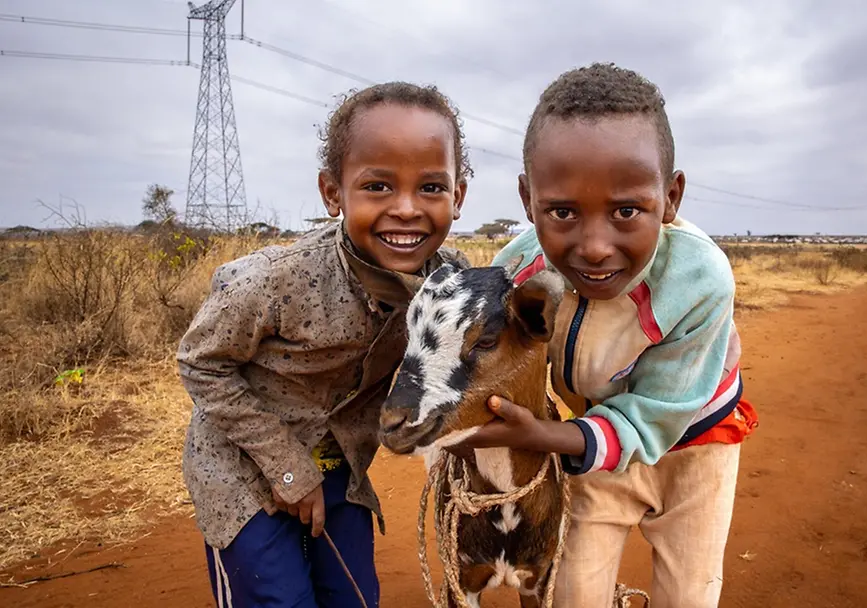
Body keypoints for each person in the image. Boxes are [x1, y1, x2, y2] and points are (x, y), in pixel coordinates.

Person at [459, 63, 759, 608]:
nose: (594, 246)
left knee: (689, 593)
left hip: (696, 446)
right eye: (563, 212)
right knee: (571, 590)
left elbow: (657, 414)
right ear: (528, 200)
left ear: (671, 197)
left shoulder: (698, 282)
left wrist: (546, 438)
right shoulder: (518, 273)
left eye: (626, 210)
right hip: (594, 440)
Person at [177, 81, 473, 608]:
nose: (406, 209)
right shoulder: (277, 281)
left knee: (353, 597)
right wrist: (287, 468)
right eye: (378, 187)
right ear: (333, 192)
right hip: (243, 467)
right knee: (279, 600)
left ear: (459, 195)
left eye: (431, 187)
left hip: (340, 469)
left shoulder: (450, 288)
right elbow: (200, 363)